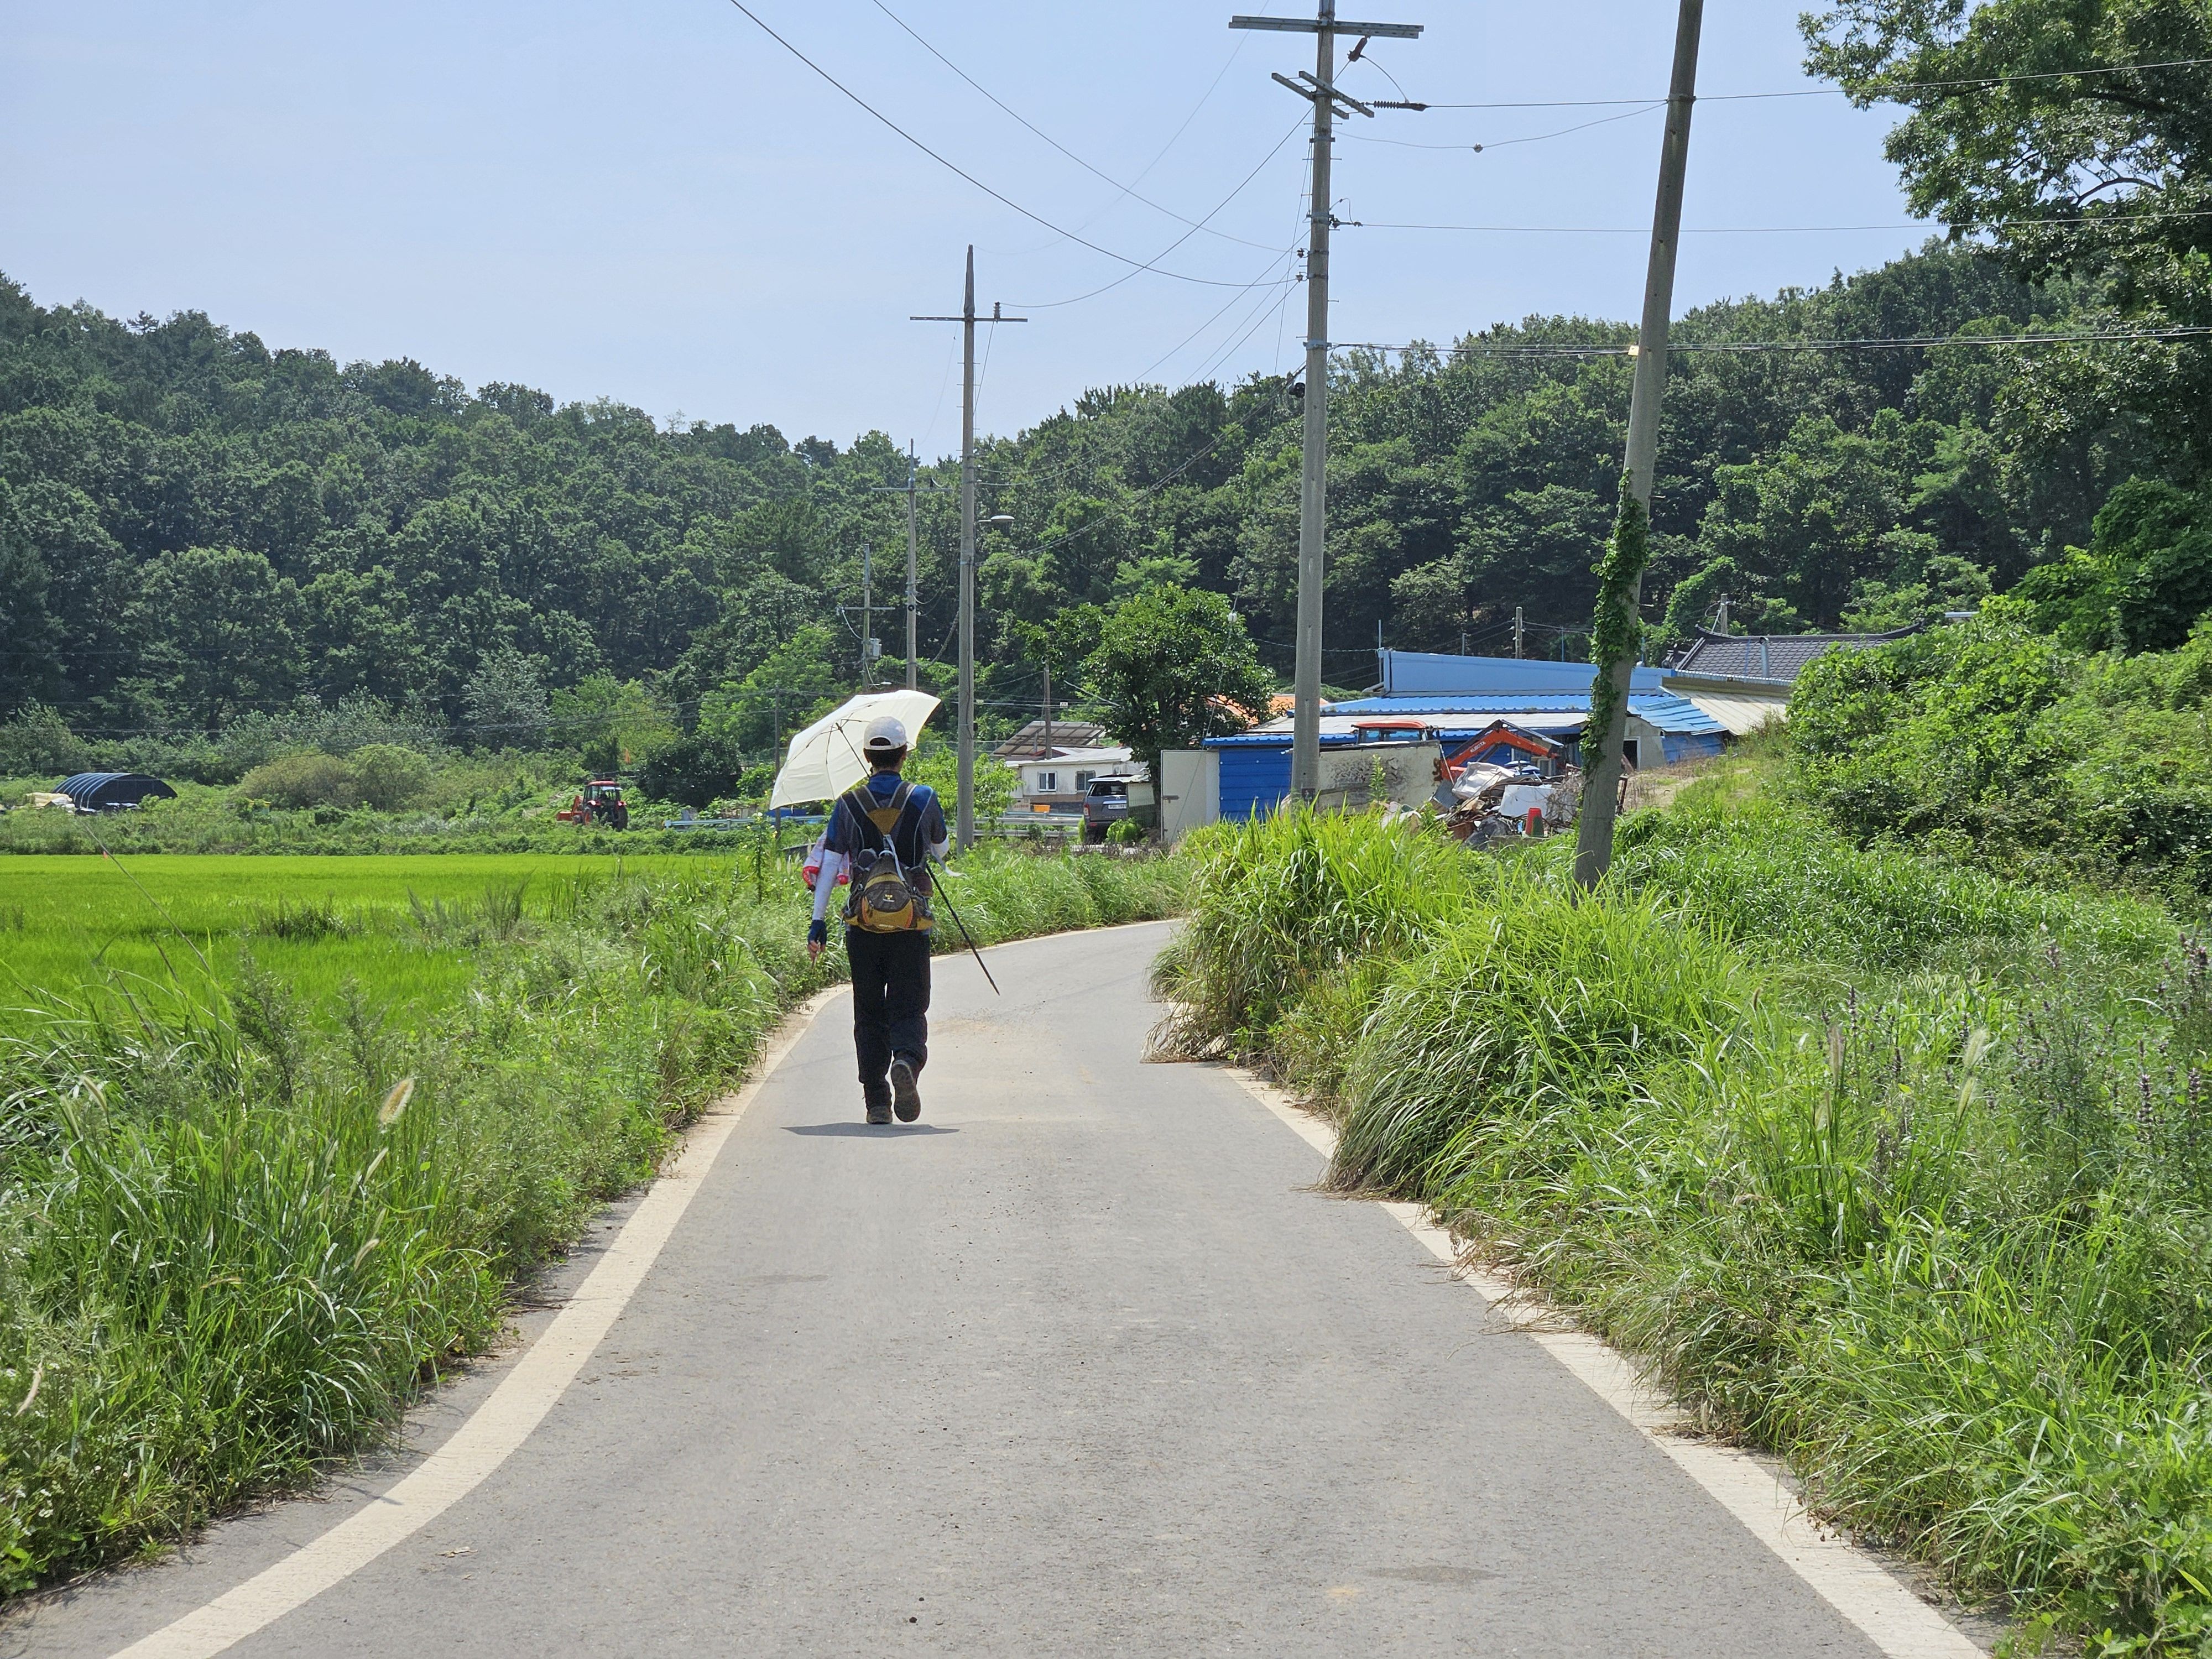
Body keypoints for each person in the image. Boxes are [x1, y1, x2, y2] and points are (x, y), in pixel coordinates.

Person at [806, 716, 948, 1125]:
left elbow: (830, 865)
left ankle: (877, 1102)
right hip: (909, 923)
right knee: (910, 1004)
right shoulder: (924, 797)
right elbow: (941, 850)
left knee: (868, 1011)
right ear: (904, 755)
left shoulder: (848, 804)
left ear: (868, 756)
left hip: (863, 925)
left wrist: (818, 921)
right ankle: (906, 1060)